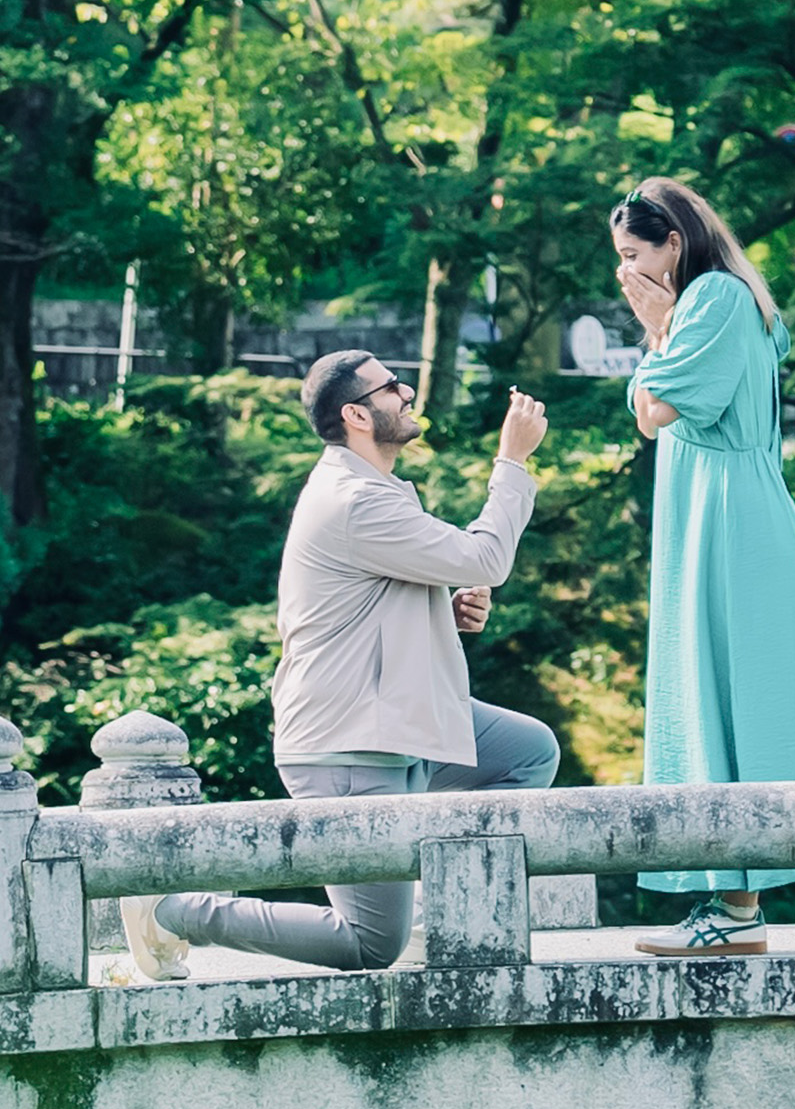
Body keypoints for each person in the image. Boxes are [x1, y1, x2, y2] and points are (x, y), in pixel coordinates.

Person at [120, 350, 557, 980]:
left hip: (405, 724)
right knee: (368, 946)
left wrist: (443, 607)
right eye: (391, 387)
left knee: (527, 752)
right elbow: (485, 558)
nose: (407, 393)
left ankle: (436, 907)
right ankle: (175, 909)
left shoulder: (376, 491)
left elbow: (397, 590)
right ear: (356, 413)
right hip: (349, 746)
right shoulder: (355, 500)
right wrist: (511, 462)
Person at [611, 178, 795, 956]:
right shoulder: (732, 299)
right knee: (717, 702)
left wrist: (657, 324)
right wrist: (660, 330)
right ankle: (733, 909)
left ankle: (736, 915)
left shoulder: (710, 300)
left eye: (633, 255)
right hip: (726, 512)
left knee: (723, 704)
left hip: (727, 520)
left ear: (673, 244)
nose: (626, 273)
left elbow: (652, 412)